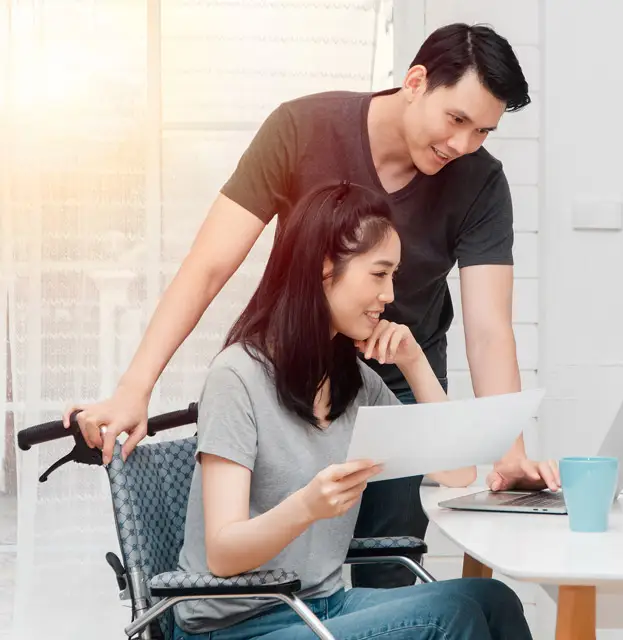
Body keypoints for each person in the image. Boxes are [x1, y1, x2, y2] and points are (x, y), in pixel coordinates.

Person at [64, 23, 560, 589]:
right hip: (295, 376)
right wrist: (136, 387)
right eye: (456, 120)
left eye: (482, 132)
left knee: (385, 565)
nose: (463, 145)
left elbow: (490, 328)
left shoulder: (481, 182)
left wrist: (510, 454)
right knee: (286, 557)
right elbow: (207, 268)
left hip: (398, 377)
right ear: (417, 81)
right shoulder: (302, 129)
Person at [172, 181, 532, 640]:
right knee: (450, 618)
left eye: (393, 276)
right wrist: (307, 506)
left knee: (492, 600)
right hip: (233, 627)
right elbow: (222, 554)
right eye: (379, 274)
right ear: (325, 268)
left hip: (319, 606)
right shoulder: (237, 376)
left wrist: (415, 362)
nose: (389, 294)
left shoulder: (354, 380)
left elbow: (458, 472)